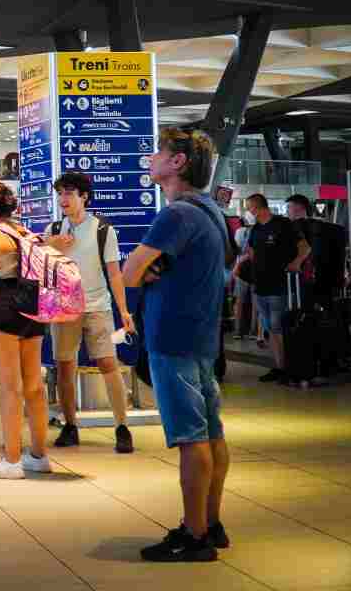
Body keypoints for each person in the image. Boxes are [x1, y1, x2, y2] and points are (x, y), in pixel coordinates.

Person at [122, 128, 229, 563]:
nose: (151, 158)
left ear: (178, 162)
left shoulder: (176, 215)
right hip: (202, 337)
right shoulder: (210, 210)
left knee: (190, 438)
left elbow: (130, 272)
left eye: (158, 152)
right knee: (211, 432)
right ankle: (211, 522)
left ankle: (194, 534)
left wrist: (145, 271)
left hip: (173, 338)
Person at [44, 172, 136, 454]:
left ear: (84, 196)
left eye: (69, 193)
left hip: (97, 307)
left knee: (108, 363)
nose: (63, 199)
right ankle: (70, 425)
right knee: (64, 367)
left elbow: (114, 273)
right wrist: (50, 246)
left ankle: (122, 427)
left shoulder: (103, 230)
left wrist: (124, 310)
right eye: (60, 193)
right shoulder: (54, 229)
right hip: (64, 309)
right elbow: (40, 269)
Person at [0, 179, 51, 480]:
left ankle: (12, 460)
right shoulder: (26, 233)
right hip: (32, 312)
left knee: (10, 389)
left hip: (2, 315)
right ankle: (38, 456)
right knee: (34, 387)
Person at [239, 193, 309, 383]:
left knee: (280, 327)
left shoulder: (283, 224)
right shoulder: (255, 229)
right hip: (260, 286)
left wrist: (296, 262)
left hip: (280, 285)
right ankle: (279, 366)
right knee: (270, 329)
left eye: (249, 208)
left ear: (258, 207)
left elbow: (305, 247)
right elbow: (252, 253)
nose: (248, 212)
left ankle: (289, 368)